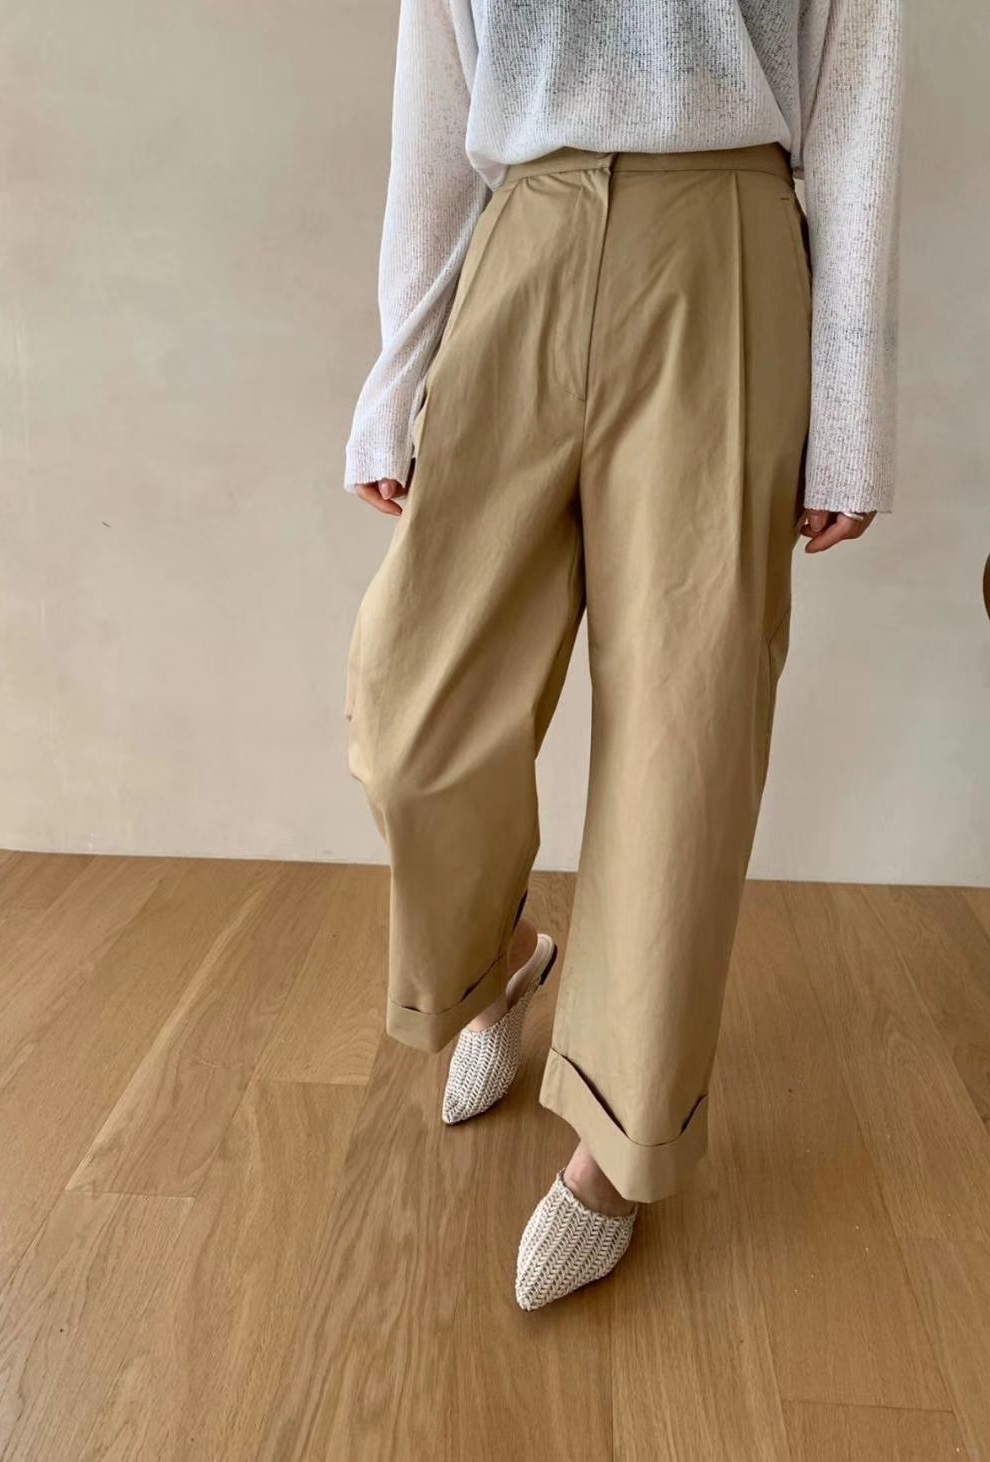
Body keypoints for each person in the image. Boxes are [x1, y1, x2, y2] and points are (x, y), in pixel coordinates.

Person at [342, 0, 903, 1311]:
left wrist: (849, 415)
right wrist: (392, 377)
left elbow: (856, 101)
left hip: (728, 241)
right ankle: (499, 962)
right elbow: (437, 95)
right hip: (521, 237)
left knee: (685, 726)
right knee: (413, 712)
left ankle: (618, 1143)